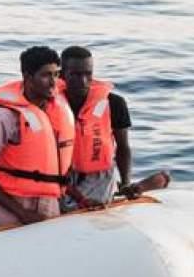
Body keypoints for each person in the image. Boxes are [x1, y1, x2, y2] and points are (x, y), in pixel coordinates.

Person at [0, 46, 75, 228]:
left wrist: (80, 199)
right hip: (14, 209)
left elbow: (56, 171)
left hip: (50, 204)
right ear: (28, 77)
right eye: (46, 75)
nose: (53, 82)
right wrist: (22, 213)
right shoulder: (5, 116)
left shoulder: (56, 109)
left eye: (56, 74)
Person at [60, 46, 170, 208]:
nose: (83, 81)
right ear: (62, 75)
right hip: (60, 177)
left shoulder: (114, 103)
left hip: (98, 176)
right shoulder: (51, 104)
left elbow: (123, 147)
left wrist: (126, 182)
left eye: (88, 74)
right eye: (75, 75)